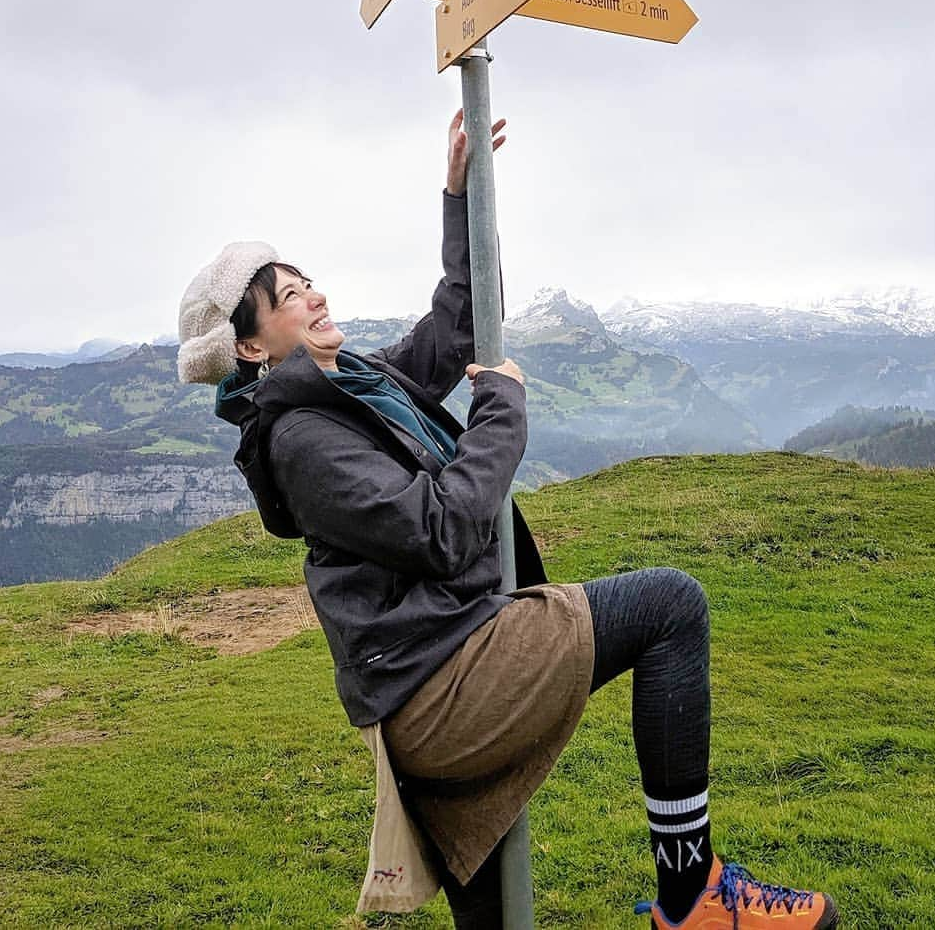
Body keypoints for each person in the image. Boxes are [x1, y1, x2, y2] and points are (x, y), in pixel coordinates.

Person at [177, 111, 839, 929]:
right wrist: (503, 407)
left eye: (306, 278)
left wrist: (459, 196)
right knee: (671, 607)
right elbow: (442, 528)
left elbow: (458, 322)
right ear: (249, 349)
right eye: (288, 296)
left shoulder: (354, 383)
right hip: (441, 684)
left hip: (446, 657)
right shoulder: (302, 437)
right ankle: (692, 892)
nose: (314, 294)